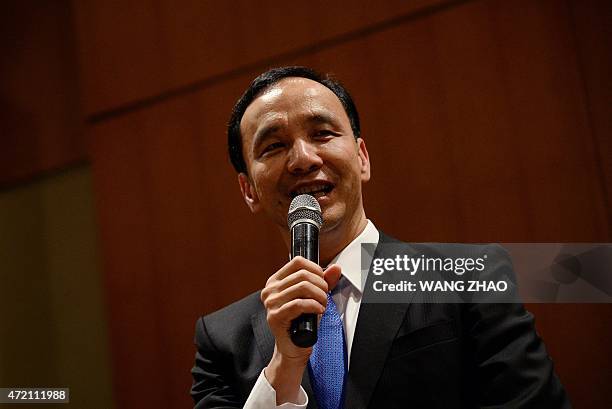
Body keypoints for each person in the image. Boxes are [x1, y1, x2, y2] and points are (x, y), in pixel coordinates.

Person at [191, 66, 570, 408]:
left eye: (322, 134)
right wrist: (282, 369)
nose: (303, 158)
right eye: (274, 146)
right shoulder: (222, 340)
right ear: (249, 190)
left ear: (362, 158)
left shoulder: (469, 277)